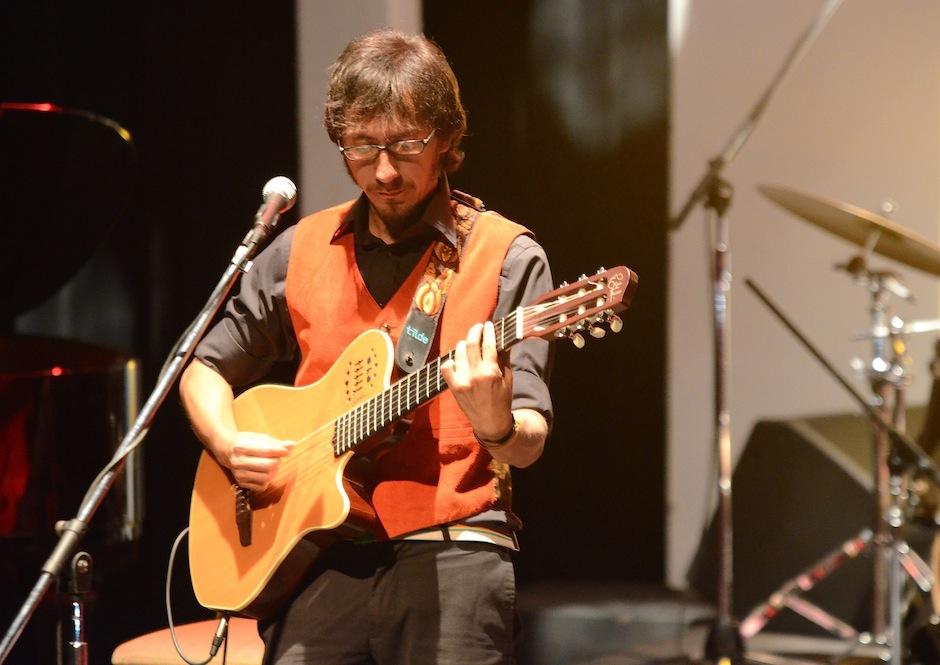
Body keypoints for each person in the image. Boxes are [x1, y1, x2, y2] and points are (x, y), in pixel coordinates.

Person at [180, 28, 553, 664]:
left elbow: (531, 437)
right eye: (361, 147)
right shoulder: (301, 247)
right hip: (319, 555)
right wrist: (227, 442)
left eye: (406, 145)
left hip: (453, 549)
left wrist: (494, 422)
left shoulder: (506, 255)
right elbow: (201, 366)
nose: (383, 171)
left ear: (446, 140)